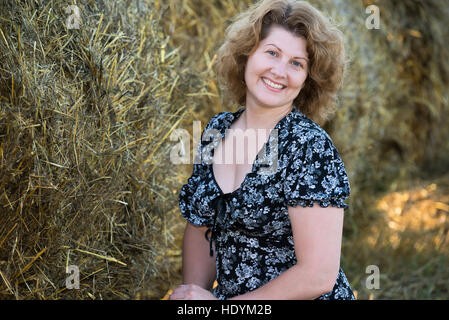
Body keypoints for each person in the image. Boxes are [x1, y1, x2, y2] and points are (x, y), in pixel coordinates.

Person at [170, 0, 355, 300]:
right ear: (247, 54)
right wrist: (195, 298)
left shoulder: (308, 146)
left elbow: (318, 275)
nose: (280, 71)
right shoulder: (217, 132)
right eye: (272, 53)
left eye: (297, 63)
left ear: (308, 78)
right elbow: (202, 227)